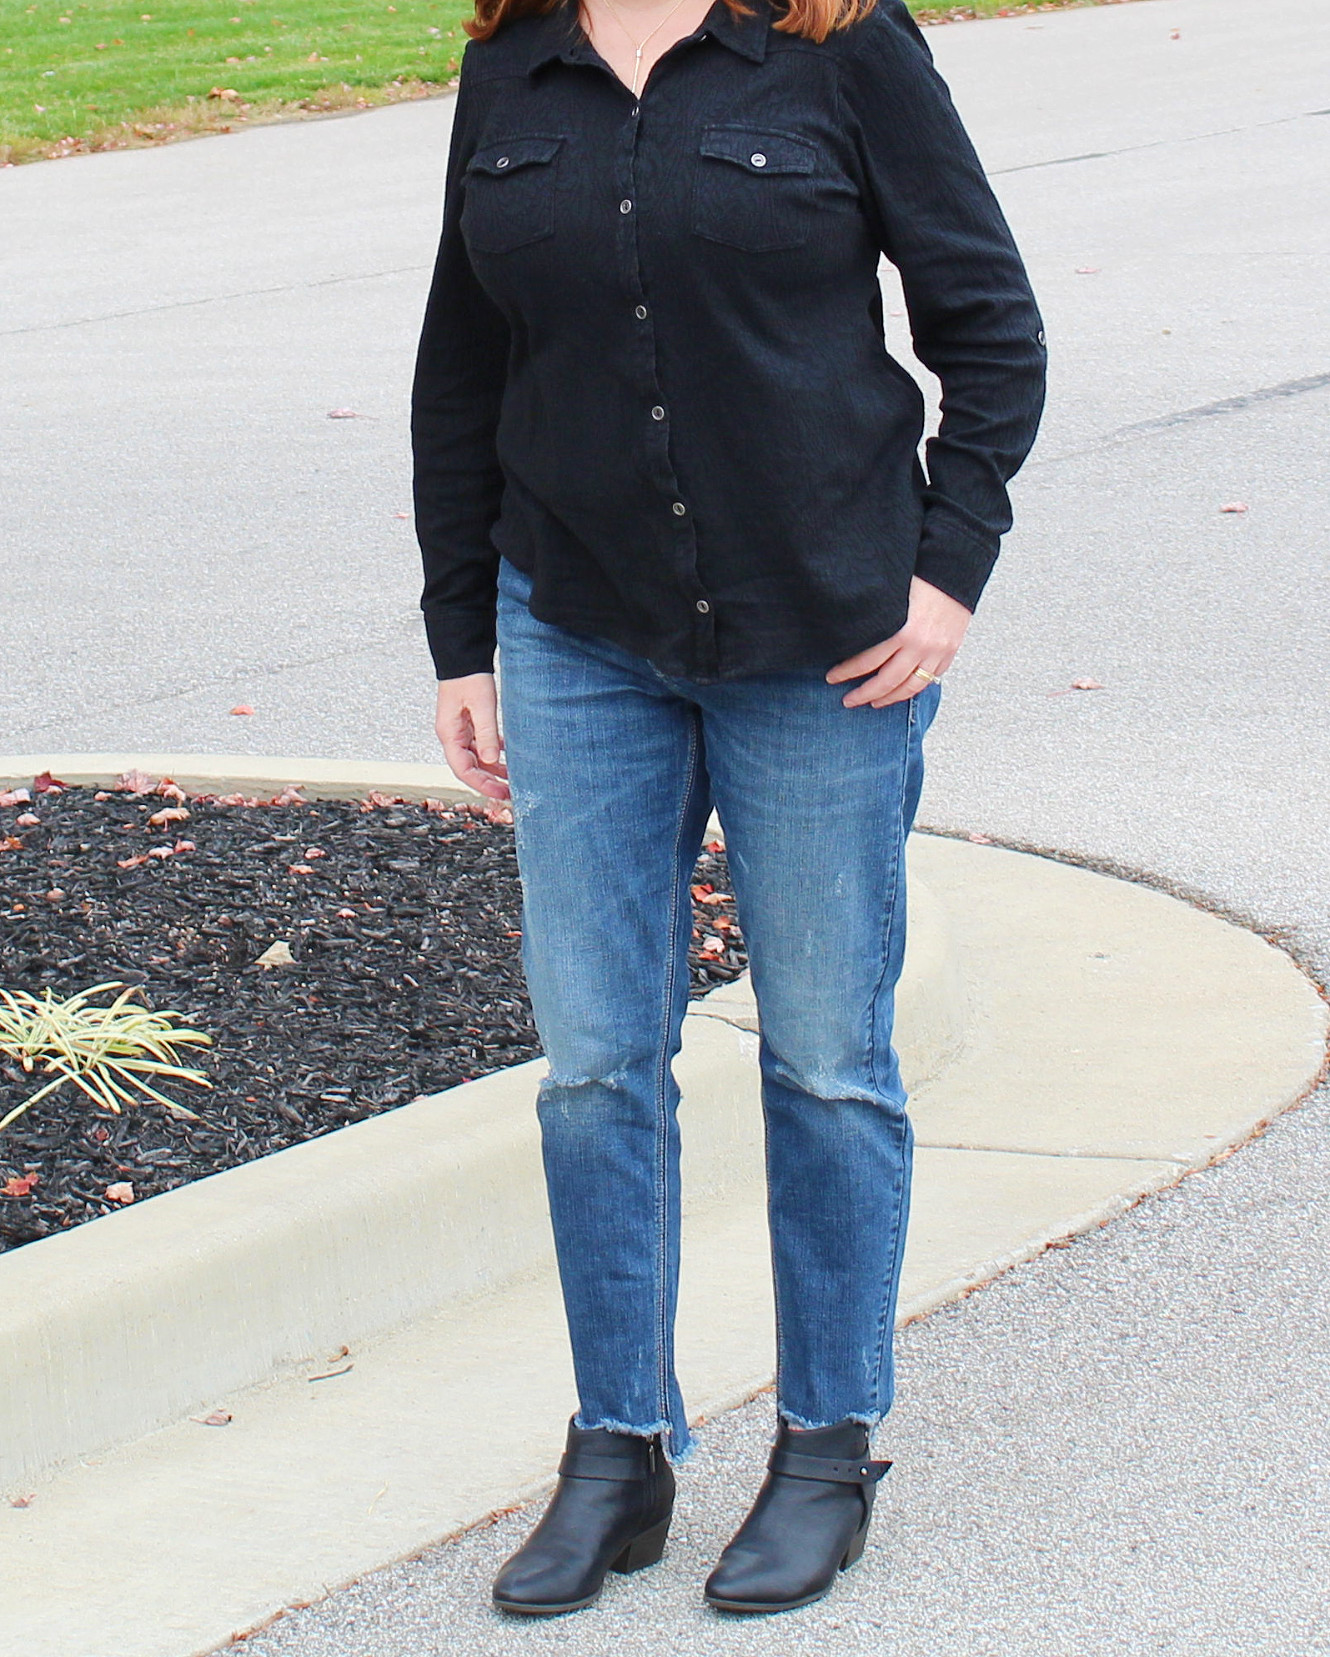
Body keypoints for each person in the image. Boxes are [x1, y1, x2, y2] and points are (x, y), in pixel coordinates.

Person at [412, 0, 1045, 1618]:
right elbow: (461, 366)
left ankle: (827, 1446)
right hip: (575, 629)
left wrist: (948, 568)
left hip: (828, 639)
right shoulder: (514, 59)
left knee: (826, 1057)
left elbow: (988, 320)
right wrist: (463, 639)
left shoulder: (841, 46)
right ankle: (617, 1449)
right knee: (594, 1059)